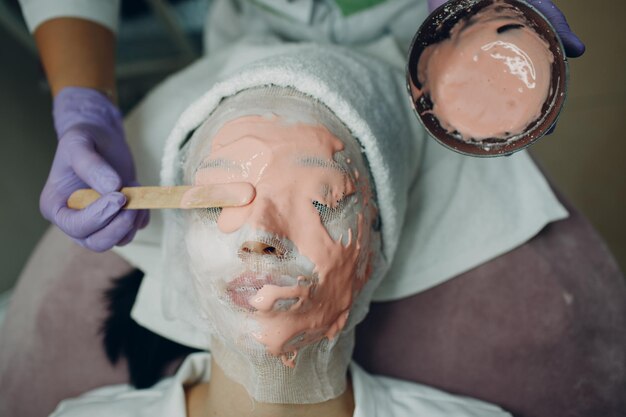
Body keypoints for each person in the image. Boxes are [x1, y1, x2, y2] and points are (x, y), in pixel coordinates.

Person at [18, 0, 584, 253]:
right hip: (256, 25)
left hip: (422, 29)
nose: (263, 240)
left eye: (322, 202)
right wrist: (83, 99)